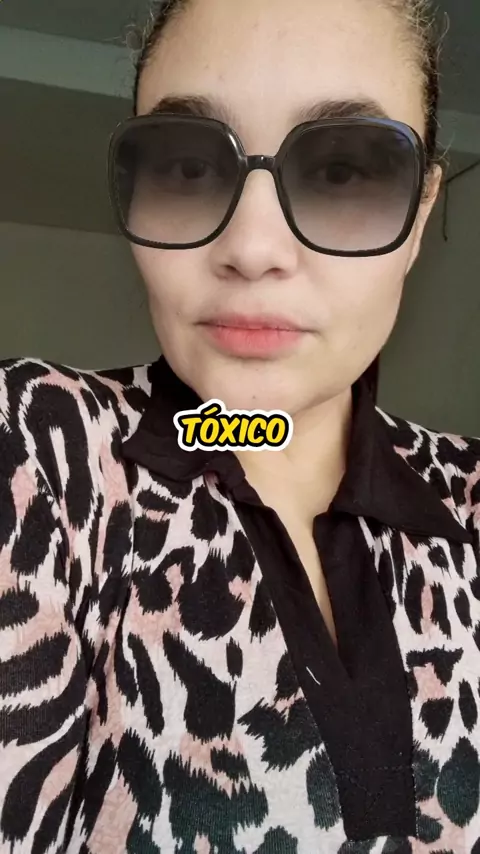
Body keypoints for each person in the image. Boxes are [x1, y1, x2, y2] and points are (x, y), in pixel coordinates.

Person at [1, 0, 479, 851]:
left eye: (343, 171)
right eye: (188, 166)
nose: (252, 248)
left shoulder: (470, 500)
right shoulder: (40, 455)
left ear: (420, 216)